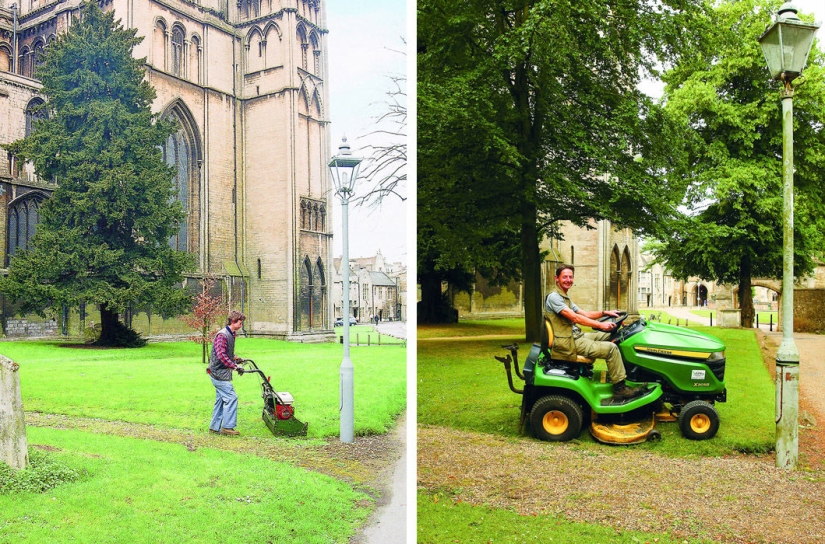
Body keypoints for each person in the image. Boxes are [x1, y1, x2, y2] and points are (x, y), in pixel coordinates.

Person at [545, 265, 644, 399]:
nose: (568, 280)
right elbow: (575, 317)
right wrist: (601, 325)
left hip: (575, 336)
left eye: (570, 277)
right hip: (568, 342)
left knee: (614, 335)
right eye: (565, 277)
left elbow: (584, 313)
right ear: (557, 278)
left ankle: (630, 374)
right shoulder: (554, 297)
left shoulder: (564, 297)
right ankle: (620, 388)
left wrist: (605, 313)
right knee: (611, 349)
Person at [207, 310, 246, 435]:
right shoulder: (222, 335)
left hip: (221, 372)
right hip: (218, 373)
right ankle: (227, 427)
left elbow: (226, 353)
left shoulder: (231, 334)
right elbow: (221, 355)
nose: (241, 325)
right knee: (231, 397)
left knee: (221, 399)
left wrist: (235, 358)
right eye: (240, 323)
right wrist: (235, 367)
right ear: (233, 322)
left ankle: (214, 427)